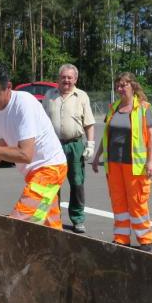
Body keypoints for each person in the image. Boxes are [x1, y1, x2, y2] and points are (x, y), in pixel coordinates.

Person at [0, 62, 68, 230]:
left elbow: (25, 154)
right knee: (48, 225)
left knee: (19, 222)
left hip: (50, 169)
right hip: (34, 172)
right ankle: (59, 254)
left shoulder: (24, 103)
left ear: (8, 87)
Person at [91, 72, 152, 251]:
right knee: (118, 202)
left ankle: (145, 240)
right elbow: (107, 135)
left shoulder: (143, 108)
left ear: (132, 86)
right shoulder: (113, 108)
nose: (119, 89)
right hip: (113, 164)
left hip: (135, 165)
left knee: (137, 202)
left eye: (123, 85)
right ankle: (121, 238)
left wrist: (151, 161)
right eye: (117, 86)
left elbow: (151, 137)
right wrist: (97, 156)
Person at [42, 64, 95, 233]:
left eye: (69, 77)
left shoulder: (82, 96)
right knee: (52, 184)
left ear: (75, 79)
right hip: (53, 146)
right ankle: (53, 219)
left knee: (77, 183)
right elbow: (41, 122)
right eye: (63, 77)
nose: (66, 80)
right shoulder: (49, 96)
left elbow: (89, 123)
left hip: (75, 145)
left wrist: (90, 145)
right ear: (58, 78)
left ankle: (78, 218)